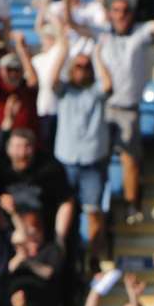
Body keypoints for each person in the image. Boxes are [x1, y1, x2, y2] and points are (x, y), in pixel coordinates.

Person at [84, 0, 154, 224]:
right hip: (103, 108)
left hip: (128, 110)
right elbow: (72, 25)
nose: (121, 14)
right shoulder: (102, 35)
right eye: (116, 10)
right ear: (110, 14)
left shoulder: (140, 34)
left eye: (125, 10)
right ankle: (100, 207)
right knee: (98, 159)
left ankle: (131, 205)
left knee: (130, 160)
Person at [52, 43, 114, 262]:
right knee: (65, 209)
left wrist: (97, 57)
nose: (82, 69)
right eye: (77, 66)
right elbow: (52, 79)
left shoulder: (95, 91)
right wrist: (64, 52)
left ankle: (94, 258)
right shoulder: (65, 91)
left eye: (86, 66)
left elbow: (108, 85)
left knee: (94, 211)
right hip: (66, 160)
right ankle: (64, 253)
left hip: (92, 162)